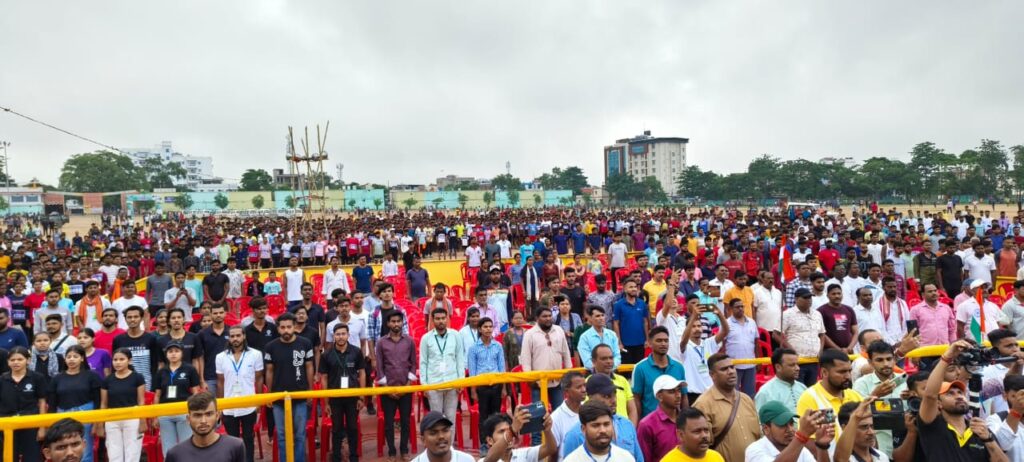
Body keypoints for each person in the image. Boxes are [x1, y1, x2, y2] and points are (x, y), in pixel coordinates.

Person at [263, 312, 315, 462]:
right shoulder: (270, 347)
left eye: (289, 327)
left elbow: (309, 367)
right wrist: (270, 394)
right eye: (283, 327)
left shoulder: (305, 343)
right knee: (281, 435)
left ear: (294, 327)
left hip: (300, 396)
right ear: (278, 328)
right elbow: (269, 371)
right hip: (278, 397)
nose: (286, 330)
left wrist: (310, 391)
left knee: (300, 435)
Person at [691, 353, 761, 462]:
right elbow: (700, 447)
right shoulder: (702, 405)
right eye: (724, 369)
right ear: (712, 375)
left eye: (732, 367)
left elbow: (758, 436)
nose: (731, 371)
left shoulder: (746, 399)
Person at [560, 374, 644, 461]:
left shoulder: (627, 425)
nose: (614, 401)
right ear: (591, 397)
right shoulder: (575, 435)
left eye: (615, 395)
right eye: (606, 396)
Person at [216, 325, 264, 462]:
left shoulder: (256, 354)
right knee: (232, 440)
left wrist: (259, 401)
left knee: (249, 438)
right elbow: (220, 382)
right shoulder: (220, 357)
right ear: (229, 338)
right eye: (232, 336)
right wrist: (220, 405)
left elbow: (259, 379)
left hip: (249, 404)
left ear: (244, 336)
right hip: (229, 405)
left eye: (238, 335)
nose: (235, 338)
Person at [851, 340, 907, 457]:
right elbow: (858, 415)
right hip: (879, 449)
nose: (886, 364)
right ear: (870, 362)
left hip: (907, 446)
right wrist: (876, 395)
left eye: (889, 359)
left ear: (894, 359)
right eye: (879, 360)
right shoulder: (861, 384)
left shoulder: (906, 380)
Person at [319, 323, 365, 462]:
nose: (340, 337)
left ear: (348, 335)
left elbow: (362, 373)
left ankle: (354, 457)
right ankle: (336, 457)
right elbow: (324, 378)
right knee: (336, 429)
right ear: (333, 336)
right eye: (337, 334)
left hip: (352, 397)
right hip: (335, 398)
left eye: (343, 334)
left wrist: (361, 397)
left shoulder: (356, 352)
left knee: (353, 428)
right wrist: (326, 402)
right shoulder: (326, 355)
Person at [47, 345, 101, 462]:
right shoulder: (57, 378)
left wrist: (97, 423)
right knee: (64, 448)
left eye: (75, 356)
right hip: (62, 416)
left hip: (86, 415)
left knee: (84, 449)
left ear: (82, 358)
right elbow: (52, 402)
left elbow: (98, 400)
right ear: (65, 359)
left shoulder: (92, 376)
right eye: (69, 357)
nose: (71, 359)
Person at [375, 310, 417, 460]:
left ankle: (404, 450)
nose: (396, 324)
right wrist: (386, 388)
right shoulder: (381, 342)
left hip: (406, 388)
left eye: (398, 321)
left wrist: (408, 385)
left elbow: (413, 364)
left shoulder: (409, 341)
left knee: (405, 421)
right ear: (388, 324)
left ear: (402, 322)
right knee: (388, 423)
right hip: (388, 390)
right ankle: (392, 451)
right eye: (393, 321)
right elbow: (379, 366)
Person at [795, 348, 864, 437]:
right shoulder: (810, 398)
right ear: (824, 372)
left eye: (849, 371)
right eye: (842, 372)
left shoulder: (855, 396)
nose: (848, 376)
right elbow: (808, 439)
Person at [165, 392, 246, 461]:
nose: (203, 421)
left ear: (217, 415)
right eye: (197, 415)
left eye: (209, 414)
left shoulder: (235, 446)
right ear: (188, 419)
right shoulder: (175, 454)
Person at [0, 347, 47, 462]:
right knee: (9, 457)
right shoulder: (2, 379)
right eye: (12, 360)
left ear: (28, 360)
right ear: (8, 362)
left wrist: (42, 427)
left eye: (20, 359)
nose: (16, 362)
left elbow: (42, 402)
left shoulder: (37, 378)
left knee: (32, 457)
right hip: (7, 424)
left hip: (30, 424)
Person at [520, 306, 572, 409]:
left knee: (559, 411)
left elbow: (566, 353)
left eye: (549, 316)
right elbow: (525, 358)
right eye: (544, 316)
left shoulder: (559, 330)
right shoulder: (530, 334)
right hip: (537, 382)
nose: (548, 318)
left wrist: (568, 373)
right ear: (537, 318)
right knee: (539, 413)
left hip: (557, 381)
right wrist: (530, 379)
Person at [155, 341, 202, 456]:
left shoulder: (189, 369)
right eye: (170, 351)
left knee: (186, 446)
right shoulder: (161, 372)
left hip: (184, 412)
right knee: (168, 449)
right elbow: (157, 395)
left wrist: (194, 412)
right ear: (166, 354)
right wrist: (155, 416)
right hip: (165, 413)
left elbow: (195, 393)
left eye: (176, 351)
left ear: (182, 353)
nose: (173, 354)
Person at [745, 402, 834, 462]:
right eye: (782, 424)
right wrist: (802, 435)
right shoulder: (754, 450)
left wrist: (822, 447)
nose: (790, 429)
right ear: (766, 429)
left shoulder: (801, 450)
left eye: (791, 423)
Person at [101, 348, 147, 462]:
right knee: (113, 451)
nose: (118, 362)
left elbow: (141, 401)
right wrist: (100, 424)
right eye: (115, 360)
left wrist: (142, 421)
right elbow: (104, 404)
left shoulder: (137, 377)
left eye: (122, 359)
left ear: (129, 361)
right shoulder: (107, 380)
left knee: (132, 451)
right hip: (112, 418)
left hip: (132, 417)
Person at [632, 326, 687, 418]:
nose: (663, 344)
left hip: (675, 422)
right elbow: (636, 398)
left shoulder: (679, 367)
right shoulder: (640, 368)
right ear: (649, 343)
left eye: (666, 341)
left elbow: (684, 396)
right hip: (650, 422)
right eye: (659, 341)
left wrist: (685, 420)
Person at [467, 316, 506, 445]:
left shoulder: (498, 346)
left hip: (496, 385)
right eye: (485, 327)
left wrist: (503, 387)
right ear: (480, 329)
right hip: (482, 387)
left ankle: (496, 442)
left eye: (490, 326)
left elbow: (502, 368)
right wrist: (473, 390)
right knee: (483, 416)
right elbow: (472, 371)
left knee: (496, 415)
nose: (488, 329)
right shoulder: (473, 348)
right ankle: (484, 443)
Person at [681, 303, 729, 404]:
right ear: (688, 329)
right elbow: (684, 339)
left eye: (699, 326)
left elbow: (725, 331)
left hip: (710, 393)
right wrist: (693, 316)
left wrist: (719, 314)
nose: (697, 329)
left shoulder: (708, 343)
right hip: (693, 395)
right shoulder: (685, 346)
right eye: (693, 326)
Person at [562, 401, 637, 462]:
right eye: (596, 425)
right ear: (583, 429)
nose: (603, 430)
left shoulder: (626, 458)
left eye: (606, 424)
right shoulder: (571, 460)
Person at [781, 288, 827, 386]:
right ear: (796, 299)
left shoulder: (817, 314)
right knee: (798, 388)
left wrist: (821, 350)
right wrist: (791, 350)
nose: (808, 300)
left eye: (810, 297)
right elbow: (777, 334)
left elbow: (822, 334)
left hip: (814, 359)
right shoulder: (787, 314)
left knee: (811, 389)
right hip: (797, 361)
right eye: (805, 298)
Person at [480, 407, 557, 462]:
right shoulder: (483, 460)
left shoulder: (524, 454)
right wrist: (512, 430)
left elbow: (550, 448)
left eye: (508, 430)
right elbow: (490, 460)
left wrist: (547, 430)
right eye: (502, 431)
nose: (507, 434)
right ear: (490, 440)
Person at [637, 375, 686, 462]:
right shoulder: (647, 424)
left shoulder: (687, 418)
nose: (678, 395)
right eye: (671, 391)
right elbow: (644, 458)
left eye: (679, 390)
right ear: (660, 396)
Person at [112, 305, 160, 390]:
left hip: (147, 384)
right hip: (124, 385)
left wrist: (154, 385)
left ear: (141, 318)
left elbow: (154, 364)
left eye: (136, 317)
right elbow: (115, 363)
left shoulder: (150, 338)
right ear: (125, 319)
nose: (132, 319)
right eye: (129, 317)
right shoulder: (118, 339)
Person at [590, 344, 638, 425]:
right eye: (604, 358)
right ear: (593, 361)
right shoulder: (587, 383)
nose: (609, 361)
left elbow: (632, 410)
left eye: (611, 358)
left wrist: (630, 429)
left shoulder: (622, 380)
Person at [659, 408, 724, 462]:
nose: (704, 435)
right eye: (697, 431)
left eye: (706, 430)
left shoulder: (716, 457)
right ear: (681, 435)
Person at [725, 297, 760, 397]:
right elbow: (722, 345)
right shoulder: (726, 323)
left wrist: (758, 361)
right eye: (737, 307)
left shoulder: (751, 322)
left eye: (742, 306)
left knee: (750, 395)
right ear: (731, 309)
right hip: (733, 365)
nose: (740, 309)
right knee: (733, 394)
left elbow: (756, 342)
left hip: (750, 364)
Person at [411, 411, 476, 462]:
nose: (441, 436)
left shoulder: (467, 460)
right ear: (423, 440)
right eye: (433, 433)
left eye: (445, 430)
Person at [614, 279, 651, 365]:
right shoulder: (618, 305)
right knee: (627, 369)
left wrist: (647, 339)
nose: (634, 289)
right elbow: (616, 323)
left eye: (635, 287)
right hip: (625, 344)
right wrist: (619, 342)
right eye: (630, 287)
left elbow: (645, 322)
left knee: (639, 367)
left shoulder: (642, 304)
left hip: (640, 343)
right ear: (625, 289)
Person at [550, 371, 586, 457]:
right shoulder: (555, 418)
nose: (584, 390)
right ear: (566, 392)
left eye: (584, 385)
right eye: (579, 387)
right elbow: (553, 452)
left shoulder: (590, 409)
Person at [198, 304, 230, 395]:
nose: (218, 315)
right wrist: (202, 380)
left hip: (229, 376)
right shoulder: (202, 334)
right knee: (211, 403)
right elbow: (200, 358)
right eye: (215, 313)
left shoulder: (232, 332)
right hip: (210, 377)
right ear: (211, 315)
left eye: (221, 312)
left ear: (225, 313)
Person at [577, 305, 621, 370]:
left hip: (612, 371)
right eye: (597, 316)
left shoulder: (612, 334)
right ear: (590, 318)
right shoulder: (584, 337)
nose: (601, 318)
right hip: (593, 373)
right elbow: (587, 361)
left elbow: (617, 356)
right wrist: (601, 369)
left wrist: (610, 368)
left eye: (602, 315)